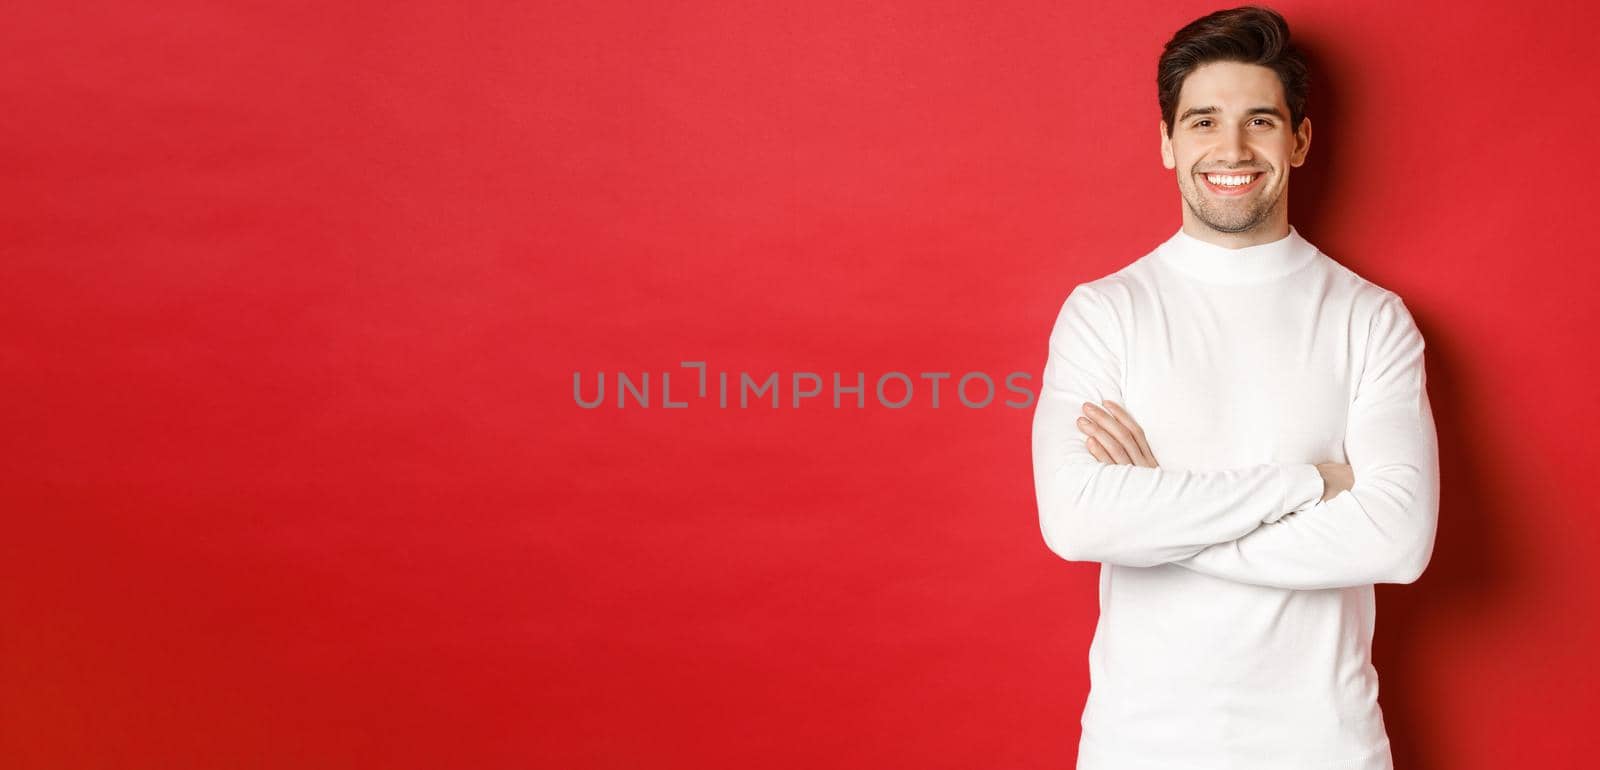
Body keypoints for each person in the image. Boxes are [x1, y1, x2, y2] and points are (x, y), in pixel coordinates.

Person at [1029, 6, 1440, 770]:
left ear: (1300, 140)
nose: (1231, 148)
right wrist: (1311, 483)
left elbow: (1398, 539)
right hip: (1138, 748)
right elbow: (1078, 522)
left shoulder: (1370, 319)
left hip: (1328, 749)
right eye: (1202, 122)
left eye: (1259, 120)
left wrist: (1159, 512)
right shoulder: (1104, 312)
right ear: (1166, 142)